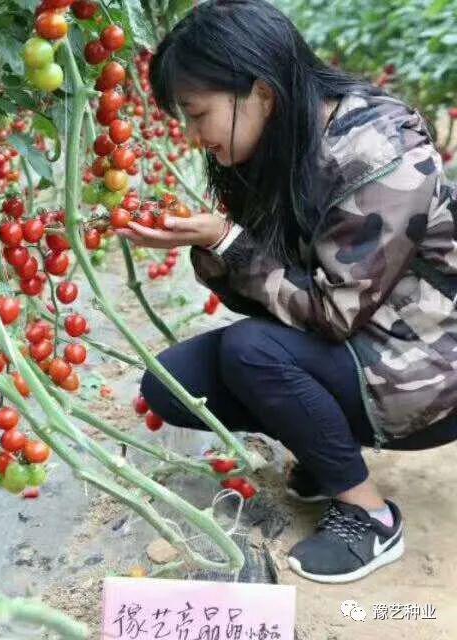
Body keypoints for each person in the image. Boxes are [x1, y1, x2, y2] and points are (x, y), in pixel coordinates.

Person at [116, 0, 457, 584]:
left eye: (200, 115)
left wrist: (229, 242)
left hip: (428, 370)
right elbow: (266, 298)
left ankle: (371, 518)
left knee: (252, 351)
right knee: (172, 385)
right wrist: (217, 247)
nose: (197, 138)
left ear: (262, 94)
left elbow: (330, 314)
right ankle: (329, 455)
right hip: (370, 348)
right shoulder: (286, 146)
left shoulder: (378, 154)